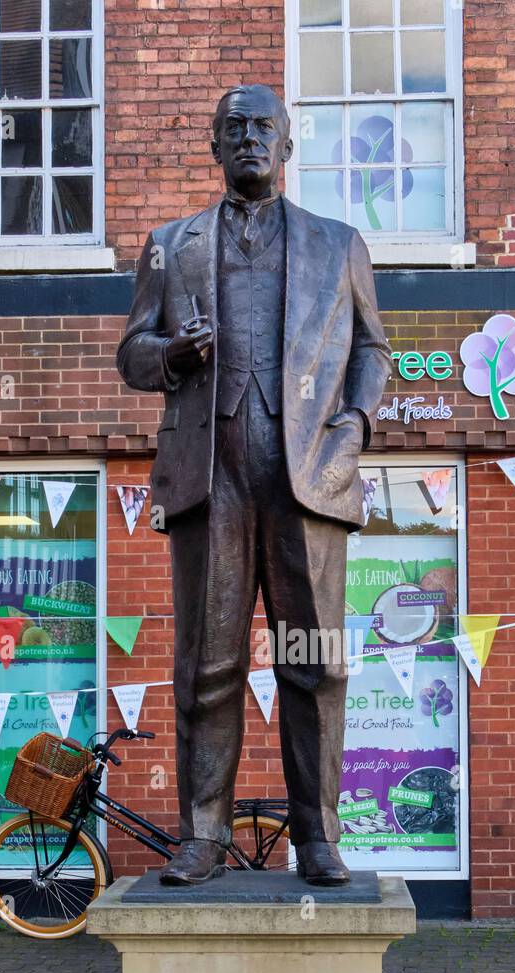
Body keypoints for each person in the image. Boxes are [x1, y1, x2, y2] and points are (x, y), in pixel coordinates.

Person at [117, 83, 392, 887]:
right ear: (213, 146)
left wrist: (356, 428)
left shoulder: (338, 245)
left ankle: (318, 837)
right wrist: (172, 352)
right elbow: (131, 355)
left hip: (308, 479)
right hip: (213, 478)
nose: (247, 140)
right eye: (231, 128)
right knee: (207, 665)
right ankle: (203, 833)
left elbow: (374, 352)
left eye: (261, 128)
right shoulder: (171, 245)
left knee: (314, 663)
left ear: (285, 147)